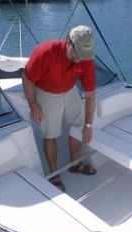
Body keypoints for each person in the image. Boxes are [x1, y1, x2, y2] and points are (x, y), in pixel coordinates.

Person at [22, 25, 97, 191]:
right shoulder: (45, 53)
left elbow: (91, 96)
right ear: (68, 43)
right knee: (50, 134)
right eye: (78, 53)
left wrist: (88, 125)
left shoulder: (86, 60)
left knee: (79, 125)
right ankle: (54, 173)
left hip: (70, 90)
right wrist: (33, 105)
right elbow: (27, 79)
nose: (81, 59)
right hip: (46, 92)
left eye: (85, 55)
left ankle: (74, 163)